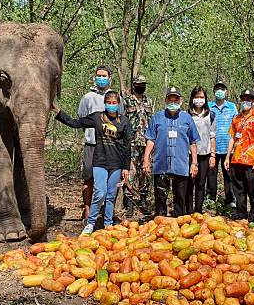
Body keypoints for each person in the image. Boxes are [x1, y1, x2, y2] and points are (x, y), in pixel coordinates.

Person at [53, 91, 133, 234]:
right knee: (100, 193)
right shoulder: (97, 117)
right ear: (105, 103)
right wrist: (58, 112)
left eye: (114, 103)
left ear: (119, 104)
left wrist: (126, 167)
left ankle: (108, 224)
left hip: (116, 164)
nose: (111, 105)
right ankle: (91, 223)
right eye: (109, 102)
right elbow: (75, 123)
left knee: (111, 195)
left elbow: (127, 147)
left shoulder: (125, 121)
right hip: (100, 162)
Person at [144, 86, 199, 217]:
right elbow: (151, 140)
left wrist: (194, 163)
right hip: (161, 165)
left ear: (181, 100)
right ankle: (160, 225)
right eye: (170, 99)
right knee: (160, 197)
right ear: (166, 100)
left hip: (180, 165)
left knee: (180, 198)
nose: (173, 102)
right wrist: (146, 159)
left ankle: (179, 224)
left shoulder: (187, 119)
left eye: (176, 99)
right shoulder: (157, 118)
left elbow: (193, 142)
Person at [77, 65, 118, 222]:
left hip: (110, 145)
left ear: (110, 78)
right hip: (92, 144)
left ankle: (107, 212)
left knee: (111, 179)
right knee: (89, 177)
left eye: (104, 75)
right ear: (94, 77)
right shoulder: (88, 97)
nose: (101, 78)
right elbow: (81, 118)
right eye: (98, 75)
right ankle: (87, 210)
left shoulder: (115, 97)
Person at [224, 89, 254, 223]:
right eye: (243, 99)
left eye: (249, 99)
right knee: (238, 189)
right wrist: (227, 157)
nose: (245, 102)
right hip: (236, 159)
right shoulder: (236, 118)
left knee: (252, 189)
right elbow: (232, 138)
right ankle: (241, 213)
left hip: (251, 160)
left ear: (253, 101)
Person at [122, 75, 154, 218]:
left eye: (143, 83)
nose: (141, 86)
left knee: (145, 173)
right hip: (131, 143)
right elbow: (122, 120)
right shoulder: (126, 100)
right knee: (130, 172)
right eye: (138, 83)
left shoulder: (149, 101)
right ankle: (128, 203)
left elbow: (152, 121)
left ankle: (143, 200)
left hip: (146, 143)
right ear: (133, 85)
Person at [186, 86, 216, 213]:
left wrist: (213, 155)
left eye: (201, 97)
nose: (199, 99)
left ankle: (198, 212)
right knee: (188, 184)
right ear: (192, 98)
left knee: (200, 184)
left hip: (205, 154)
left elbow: (212, 136)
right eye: (196, 97)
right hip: (188, 155)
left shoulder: (211, 115)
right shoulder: (186, 115)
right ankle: (188, 211)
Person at [207, 81, 237, 208]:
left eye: (222, 88)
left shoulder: (232, 107)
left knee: (228, 174)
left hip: (227, 147)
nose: (220, 91)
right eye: (217, 89)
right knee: (211, 174)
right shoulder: (208, 106)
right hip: (212, 147)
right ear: (214, 91)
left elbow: (236, 125)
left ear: (226, 91)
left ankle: (230, 199)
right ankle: (211, 199)